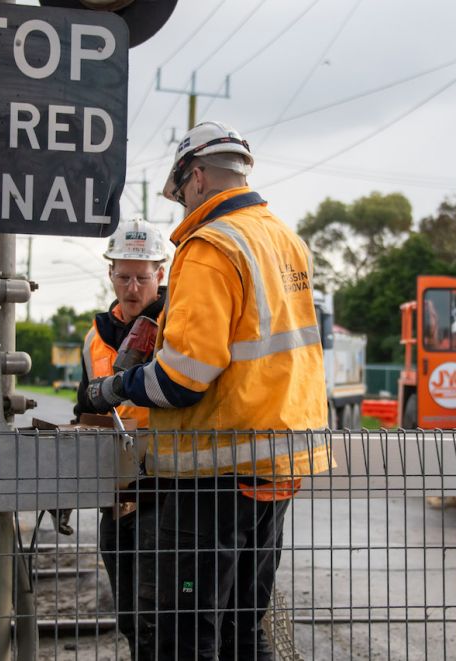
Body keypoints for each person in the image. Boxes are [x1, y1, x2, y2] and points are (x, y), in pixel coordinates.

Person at [86, 121, 332, 660]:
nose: (181, 208)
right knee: (244, 628)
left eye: (180, 196)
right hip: (281, 460)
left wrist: (112, 389)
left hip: (216, 474)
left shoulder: (208, 246)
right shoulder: (283, 238)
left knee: (185, 634)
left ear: (195, 178)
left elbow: (183, 378)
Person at [74, 217, 168, 659]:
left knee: (161, 607)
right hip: (115, 491)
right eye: (123, 276)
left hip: (167, 486)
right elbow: (86, 411)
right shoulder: (95, 336)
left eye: (142, 277)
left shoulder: (177, 325)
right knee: (129, 611)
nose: (132, 288)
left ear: (161, 275)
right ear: (110, 273)